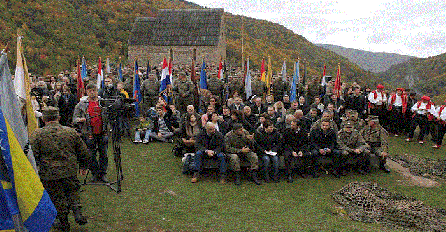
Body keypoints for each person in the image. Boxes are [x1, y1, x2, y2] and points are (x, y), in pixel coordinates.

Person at [30, 107, 91, 231]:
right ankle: (77, 212)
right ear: (59, 118)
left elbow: (32, 154)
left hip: (49, 173)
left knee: (56, 197)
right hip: (69, 170)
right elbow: (84, 151)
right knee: (72, 190)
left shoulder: (37, 134)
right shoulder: (71, 132)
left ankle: (63, 222)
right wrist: (84, 166)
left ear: (43, 119)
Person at [73, 83, 109, 182]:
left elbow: (110, 115)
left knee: (104, 154)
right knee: (91, 155)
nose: (92, 92)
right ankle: (95, 173)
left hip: (103, 132)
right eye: (90, 91)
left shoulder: (103, 102)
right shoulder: (81, 105)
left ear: (97, 91)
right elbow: (74, 119)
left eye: (94, 90)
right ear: (86, 92)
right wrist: (80, 119)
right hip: (89, 134)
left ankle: (103, 174)